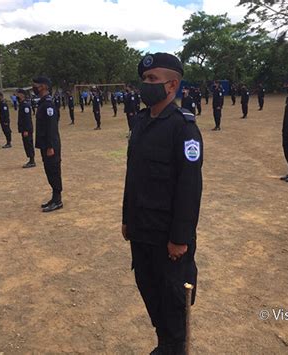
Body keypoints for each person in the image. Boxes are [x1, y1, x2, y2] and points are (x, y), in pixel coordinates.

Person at [122, 52, 202, 355]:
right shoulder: (141, 121)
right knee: (150, 294)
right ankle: (165, 344)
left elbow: (189, 188)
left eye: (152, 79)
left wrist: (180, 239)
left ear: (172, 85)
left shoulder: (184, 128)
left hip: (168, 238)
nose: (146, 84)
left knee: (172, 302)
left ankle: (173, 347)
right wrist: (127, 218)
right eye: (144, 79)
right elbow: (134, 176)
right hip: (141, 232)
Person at [33, 76, 63, 212]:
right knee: (49, 171)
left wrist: (50, 146)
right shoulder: (43, 103)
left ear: (44, 86)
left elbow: (51, 126)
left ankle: (58, 200)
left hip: (50, 145)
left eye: (36, 85)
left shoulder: (48, 104)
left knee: (54, 171)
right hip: (45, 144)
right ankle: (54, 197)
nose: (34, 88)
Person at [16, 89, 36, 168]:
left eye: (17, 94)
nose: (16, 96)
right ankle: (31, 159)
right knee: (26, 144)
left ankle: (32, 161)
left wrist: (26, 130)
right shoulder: (22, 104)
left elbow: (27, 118)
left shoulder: (25, 105)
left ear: (22, 95)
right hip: (24, 129)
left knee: (28, 144)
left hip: (27, 129)